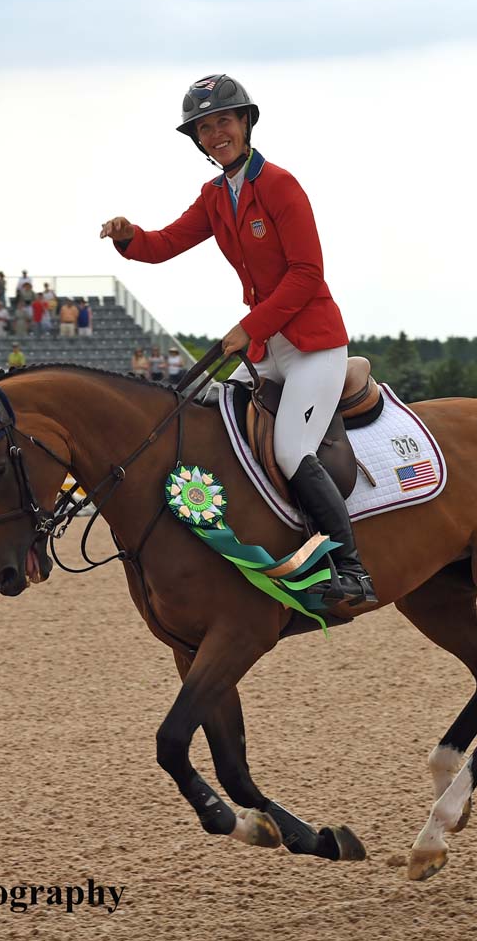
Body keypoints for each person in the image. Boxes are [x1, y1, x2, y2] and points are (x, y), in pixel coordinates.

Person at [100, 73, 376, 605]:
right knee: (214, 426)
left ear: (246, 122)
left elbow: (306, 274)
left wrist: (249, 326)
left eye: (223, 121)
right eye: (204, 128)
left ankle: (353, 570)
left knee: (292, 452)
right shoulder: (214, 195)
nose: (215, 133)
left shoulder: (280, 186)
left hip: (313, 347)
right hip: (268, 349)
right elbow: (163, 244)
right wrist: (129, 237)